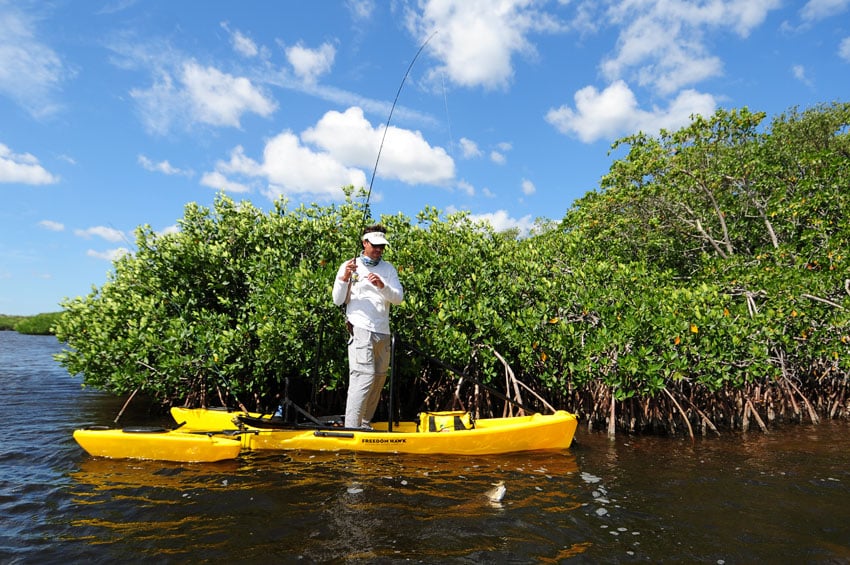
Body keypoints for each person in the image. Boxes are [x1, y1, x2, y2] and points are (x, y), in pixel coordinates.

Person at [332, 224, 404, 429]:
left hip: (383, 330)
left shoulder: (388, 269)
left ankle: (364, 423)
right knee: (363, 377)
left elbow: (398, 298)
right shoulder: (349, 265)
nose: (379, 250)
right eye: (375, 246)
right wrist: (345, 277)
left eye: (382, 247)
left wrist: (382, 285)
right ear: (365, 243)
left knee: (379, 378)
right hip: (360, 327)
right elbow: (337, 300)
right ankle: (352, 428)